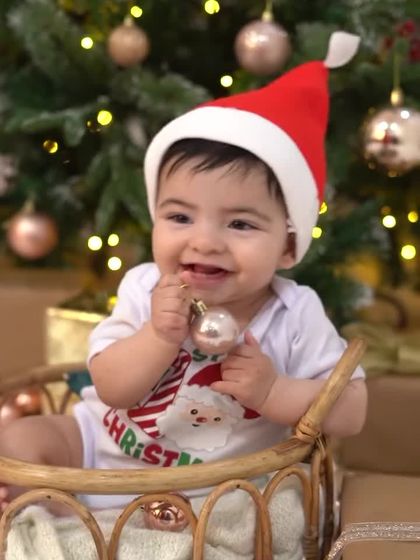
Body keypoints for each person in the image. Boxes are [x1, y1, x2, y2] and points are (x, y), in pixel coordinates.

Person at [0, 31, 367, 511]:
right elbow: (110, 388)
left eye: (240, 223)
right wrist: (157, 335)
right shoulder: (144, 286)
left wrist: (275, 391)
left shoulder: (295, 314)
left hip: (213, 491)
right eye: (179, 217)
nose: (205, 241)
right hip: (93, 455)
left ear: (288, 246)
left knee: (254, 511)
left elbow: (352, 411)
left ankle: (120, 527)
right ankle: (57, 516)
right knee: (21, 440)